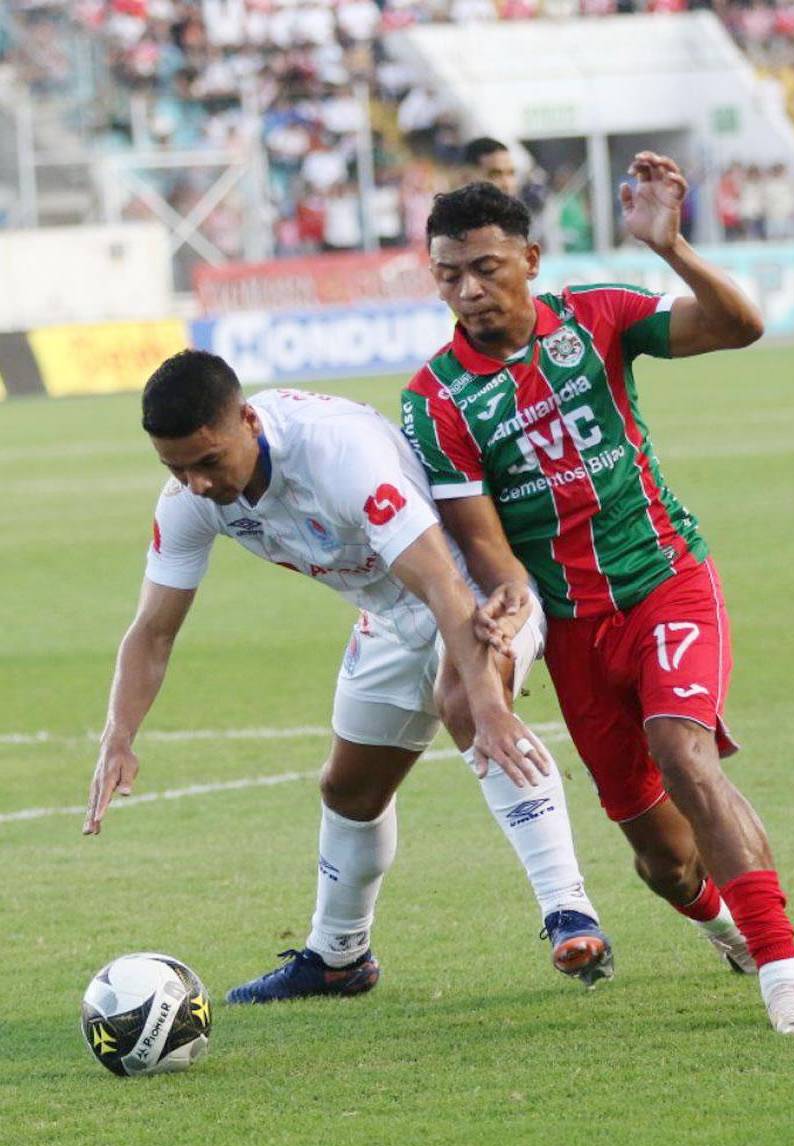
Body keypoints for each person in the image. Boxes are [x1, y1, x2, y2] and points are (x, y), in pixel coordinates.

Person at [401, 154, 794, 1034]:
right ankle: (724, 922)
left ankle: (784, 970)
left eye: (486, 268)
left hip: (666, 576)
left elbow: (739, 326)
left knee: (684, 750)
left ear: (529, 258)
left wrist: (671, 247)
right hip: (571, 628)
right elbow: (491, 552)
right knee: (665, 862)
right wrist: (508, 606)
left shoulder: (596, 316)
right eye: (449, 275)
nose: (470, 291)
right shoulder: (436, 402)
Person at [82, 351, 615, 1000]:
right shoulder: (191, 499)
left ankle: (569, 911)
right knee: (349, 791)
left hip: (477, 589)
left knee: (464, 704)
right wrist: (119, 734)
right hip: (388, 614)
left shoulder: (337, 453)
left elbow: (445, 585)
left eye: (207, 462)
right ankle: (339, 957)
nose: (194, 483)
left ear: (248, 420)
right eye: (175, 468)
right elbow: (152, 630)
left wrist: (489, 701)